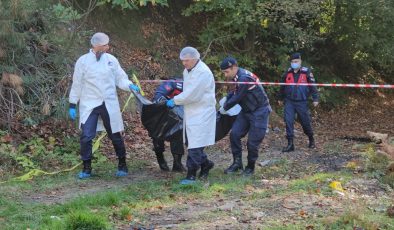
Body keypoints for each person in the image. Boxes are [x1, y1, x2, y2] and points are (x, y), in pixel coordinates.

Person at [68, 32, 140, 179]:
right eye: (105, 45)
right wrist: (72, 104)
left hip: (108, 102)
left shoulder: (111, 60)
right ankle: (86, 168)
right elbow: (77, 84)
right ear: (96, 46)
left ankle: (122, 164)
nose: (108, 47)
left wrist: (130, 86)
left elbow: (121, 78)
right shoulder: (83, 61)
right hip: (89, 103)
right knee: (86, 136)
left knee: (115, 135)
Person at [166, 47, 216, 185]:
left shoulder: (203, 72)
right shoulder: (187, 70)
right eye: (182, 61)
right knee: (191, 141)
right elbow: (188, 91)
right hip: (192, 111)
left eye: (186, 61)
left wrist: (175, 100)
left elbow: (193, 94)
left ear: (194, 59)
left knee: (195, 145)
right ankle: (206, 164)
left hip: (203, 112)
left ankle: (191, 174)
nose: (184, 63)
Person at [219, 57, 271, 176]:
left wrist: (225, 107)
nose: (226, 75)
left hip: (260, 111)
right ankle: (237, 163)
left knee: (252, 142)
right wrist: (227, 98)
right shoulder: (236, 76)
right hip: (247, 110)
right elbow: (234, 92)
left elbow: (238, 97)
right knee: (235, 134)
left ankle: (250, 167)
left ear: (234, 67)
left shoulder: (244, 78)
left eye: (227, 72)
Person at [279, 52, 319, 152]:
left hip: (302, 102)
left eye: (296, 61)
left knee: (305, 122)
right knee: (288, 121)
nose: (294, 63)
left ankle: (311, 139)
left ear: (300, 61)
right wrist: (280, 98)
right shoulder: (287, 72)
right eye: (292, 62)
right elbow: (282, 86)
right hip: (289, 101)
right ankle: (290, 144)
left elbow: (313, 86)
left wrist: (315, 98)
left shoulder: (306, 72)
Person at [151, 77, 186, 172]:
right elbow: (158, 95)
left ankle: (177, 163)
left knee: (178, 133)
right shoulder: (174, 83)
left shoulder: (194, 87)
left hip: (178, 116)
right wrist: (166, 102)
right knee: (157, 135)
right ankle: (160, 158)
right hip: (161, 112)